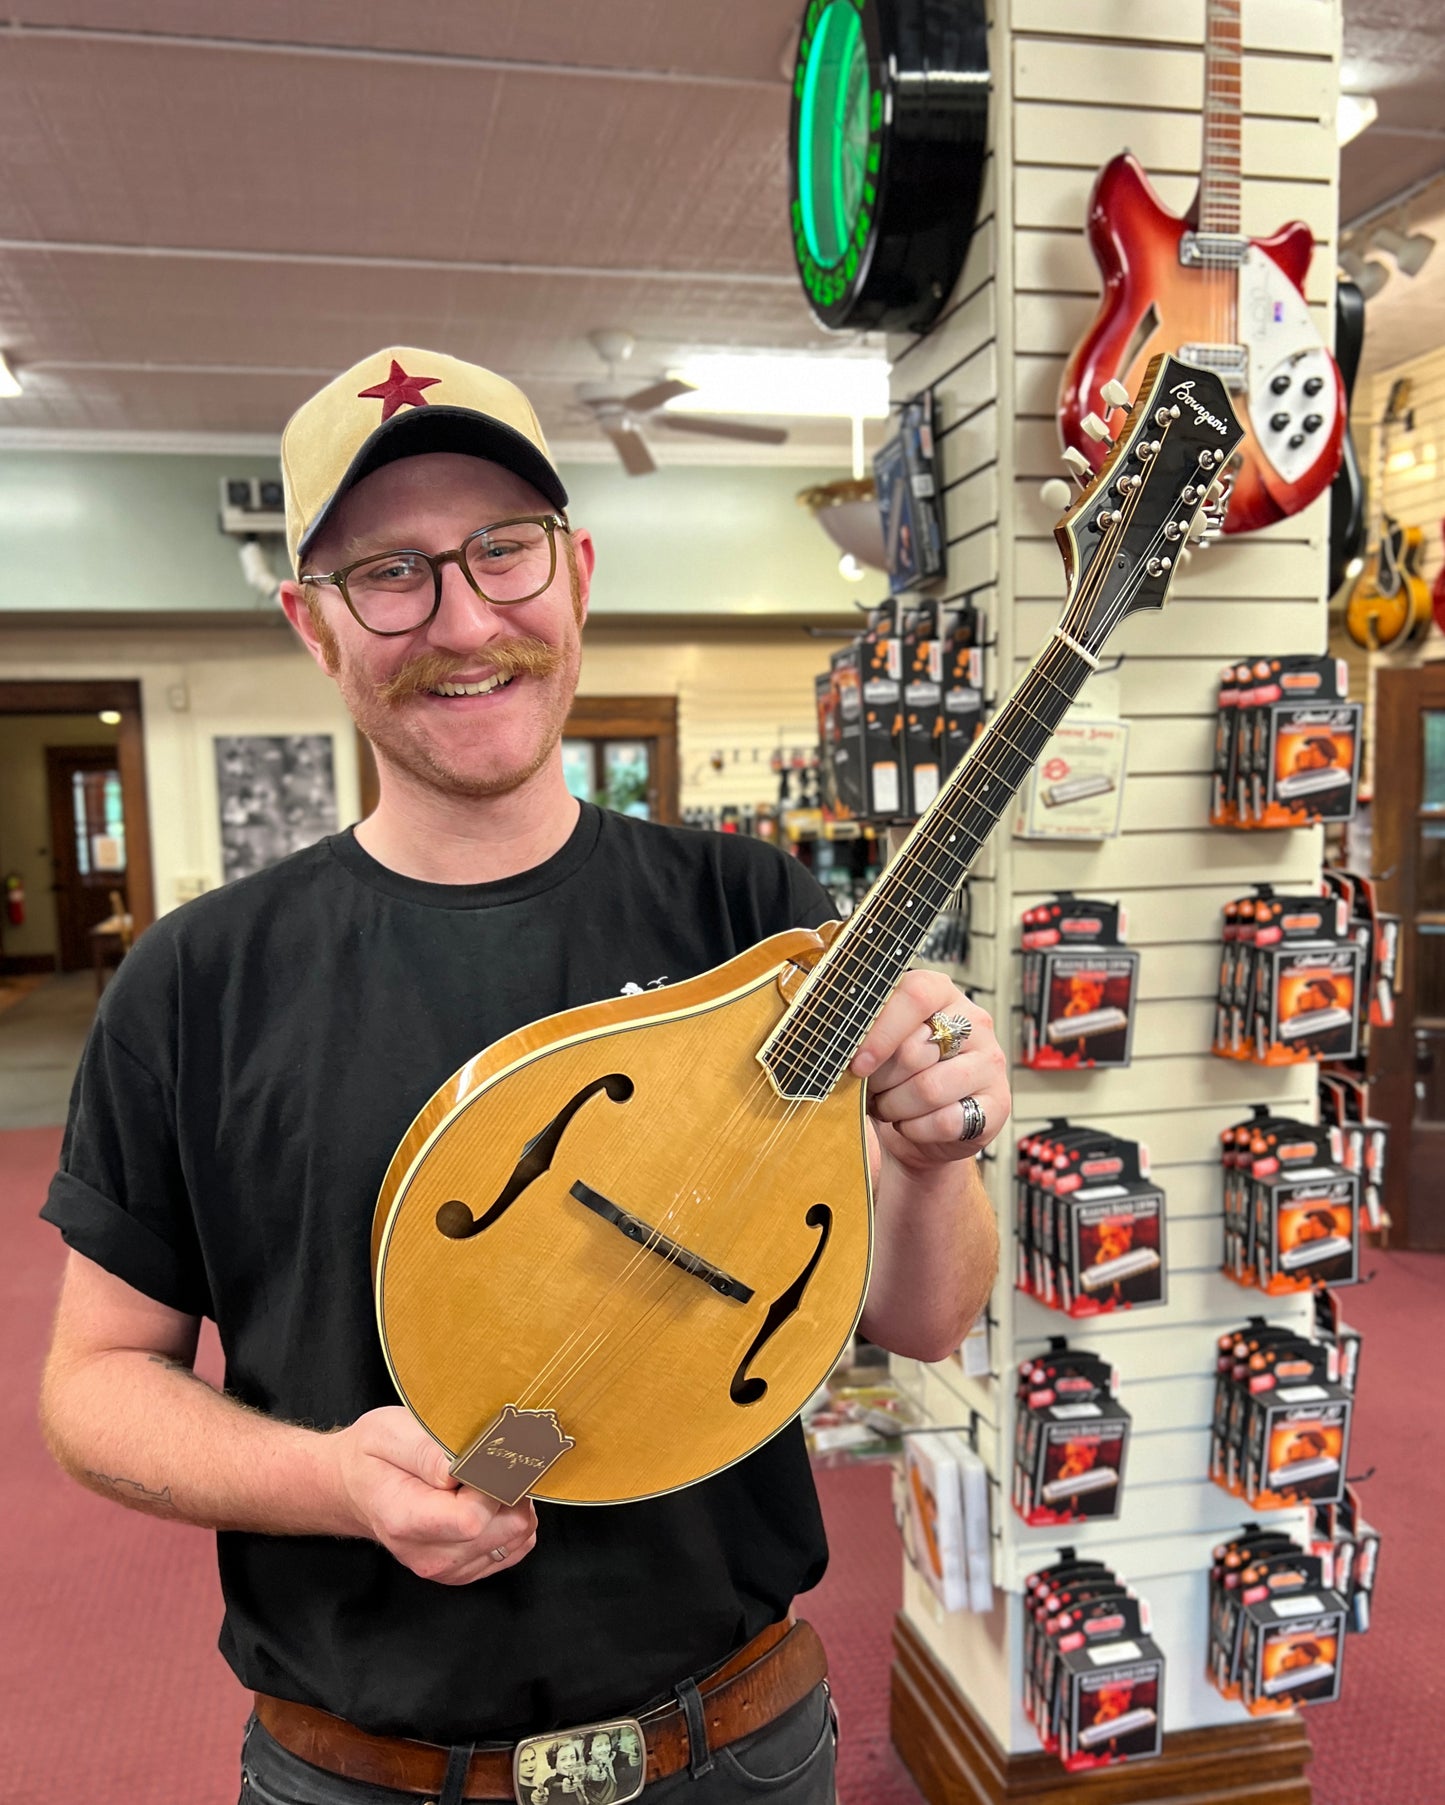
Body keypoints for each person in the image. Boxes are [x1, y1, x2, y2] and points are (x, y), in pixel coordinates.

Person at [38, 347, 1006, 1805]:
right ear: (314, 625)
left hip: (731, 1749)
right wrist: (333, 1484)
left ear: (578, 570)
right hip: (358, 1771)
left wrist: (935, 1154)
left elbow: (922, 1315)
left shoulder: (752, 917)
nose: (466, 619)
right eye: (392, 573)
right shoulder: (195, 980)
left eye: (504, 551)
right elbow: (94, 1383)